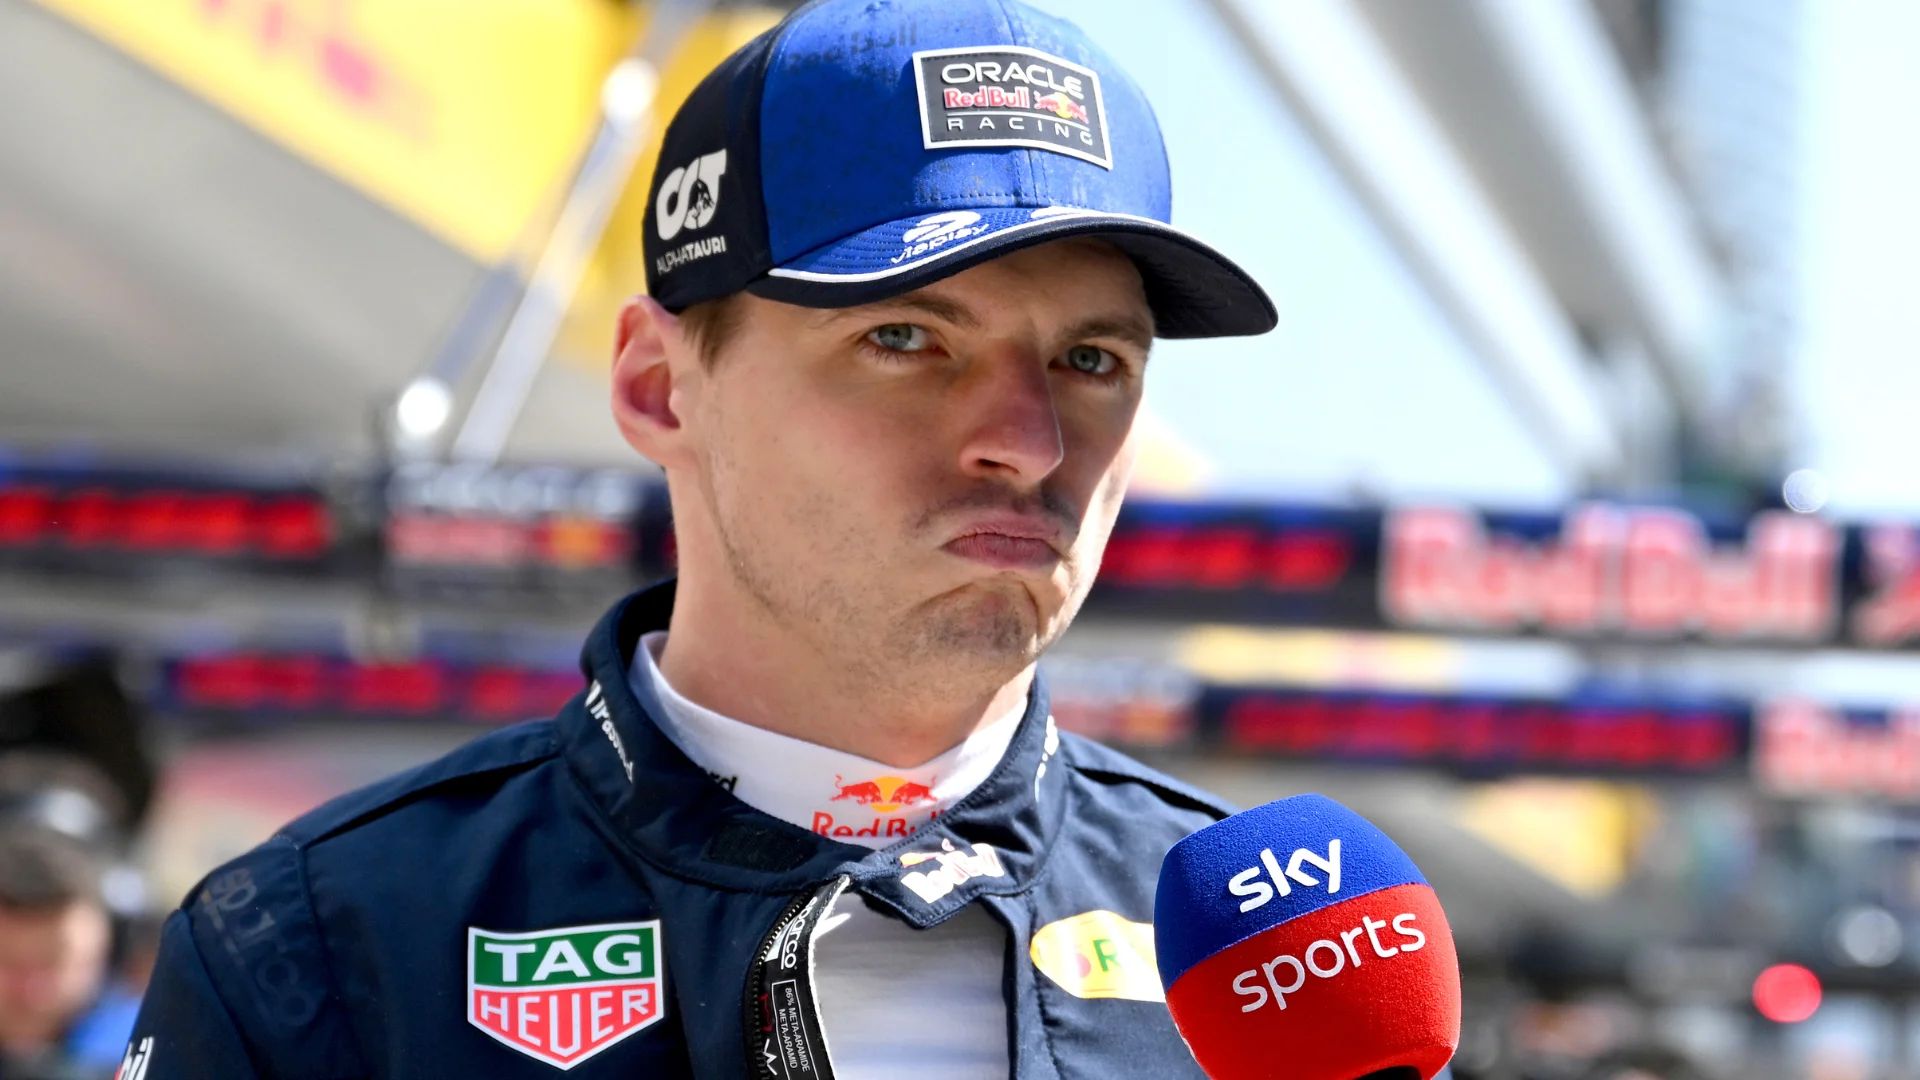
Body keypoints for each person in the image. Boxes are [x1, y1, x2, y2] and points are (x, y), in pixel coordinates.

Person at [126, 0, 1275, 1076]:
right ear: (658, 387)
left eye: (1091, 360)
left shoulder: (1275, 947)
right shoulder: (319, 948)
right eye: (904, 338)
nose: (1026, 443)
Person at [0, 759, 144, 1080]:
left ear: (114, 944)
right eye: (6, 960)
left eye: (52, 960)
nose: (29, 993)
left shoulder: (166, 1047)